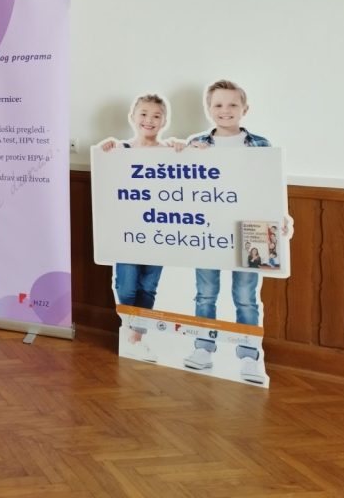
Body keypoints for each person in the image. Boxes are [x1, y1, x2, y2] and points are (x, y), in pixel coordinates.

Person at [183, 79, 273, 384]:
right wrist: (187, 153)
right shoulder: (196, 143)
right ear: (208, 109)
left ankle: (249, 356)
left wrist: (281, 217)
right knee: (205, 293)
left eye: (233, 104)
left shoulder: (260, 144)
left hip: (250, 230)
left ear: (245, 108)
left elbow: (269, 187)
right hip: (207, 228)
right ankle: (203, 348)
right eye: (218, 104)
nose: (225, 110)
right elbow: (180, 184)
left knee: (246, 296)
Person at [100, 94, 179, 363]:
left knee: (148, 286)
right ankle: (129, 327)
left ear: (164, 121)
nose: (149, 120)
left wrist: (182, 149)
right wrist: (106, 151)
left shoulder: (170, 151)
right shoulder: (119, 150)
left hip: (159, 232)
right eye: (143, 114)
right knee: (126, 286)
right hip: (127, 233)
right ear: (132, 117)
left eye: (156, 116)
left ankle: (136, 339)